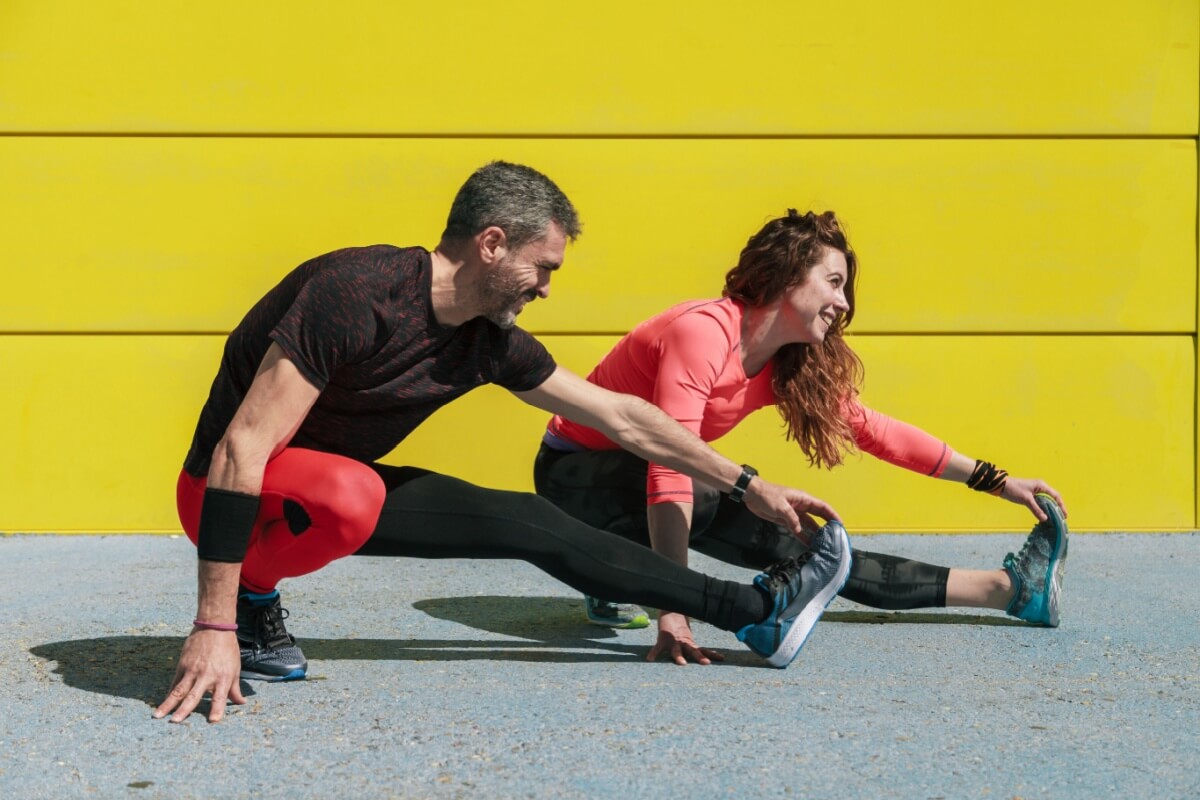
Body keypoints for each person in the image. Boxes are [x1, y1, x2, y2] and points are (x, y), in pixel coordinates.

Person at [154, 163, 855, 725]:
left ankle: (755, 613)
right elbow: (241, 449)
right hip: (219, 495)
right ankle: (245, 604)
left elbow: (625, 418)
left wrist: (747, 484)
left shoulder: (487, 341)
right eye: (543, 266)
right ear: (492, 244)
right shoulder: (356, 293)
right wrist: (210, 624)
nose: (548, 287)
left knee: (529, 520)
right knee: (351, 491)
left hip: (319, 494)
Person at [533, 209, 1069, 666]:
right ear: (788, 275)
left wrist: (993, 480)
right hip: (574, 477)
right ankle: (614, 572)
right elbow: (669, 466)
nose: (844, 304)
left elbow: (877, 432)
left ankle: (1010, 591)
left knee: (816, 551)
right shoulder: (703, 331)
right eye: (833, 283)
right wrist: (673, 612)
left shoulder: (784, 364)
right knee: (704, 490)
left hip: (661, 487)